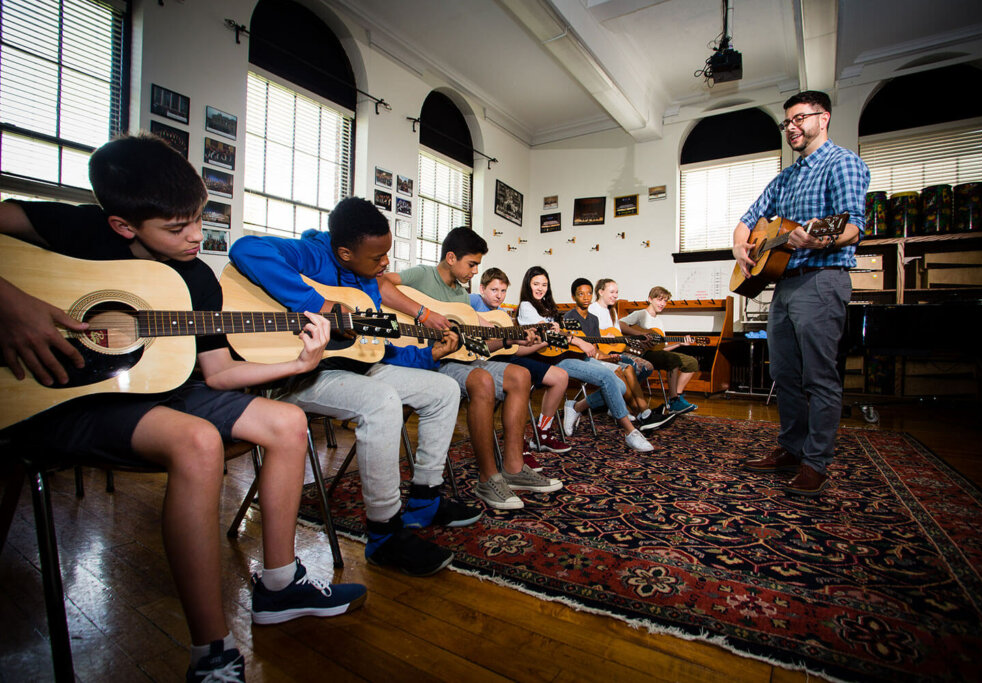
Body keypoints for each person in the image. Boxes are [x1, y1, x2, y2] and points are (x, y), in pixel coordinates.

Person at [0, 134, 365, 683]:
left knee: (287, 420)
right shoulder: (74, 228)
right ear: (124, 225)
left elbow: (219, 374)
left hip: (164, 388)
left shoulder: (196, 277)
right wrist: (13, 303)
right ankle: (212, 652)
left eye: (199, 218)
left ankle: (279, 584)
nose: (196, 235)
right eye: (176, 228)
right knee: (198, 441)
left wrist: (297, 362)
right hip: (66, 396)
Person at [229, 197, 481, 579]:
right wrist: (317, 304)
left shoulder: (367, 285)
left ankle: (425, 499)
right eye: (377, 257)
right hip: (298, 376)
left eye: (387, 254)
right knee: (381, 402)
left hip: (354, 370)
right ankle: (383, 534)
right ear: (344, 252)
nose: (385, 265)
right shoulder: (314, 255)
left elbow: (378, 348)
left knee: (443, 389)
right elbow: (246, 249)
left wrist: (430, 355)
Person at [732, 90, 869, 497]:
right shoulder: (785, 177)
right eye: (786, 122)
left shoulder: (842, 162)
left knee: (819, 377)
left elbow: (854, 226)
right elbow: (747, 219)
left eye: (799, 119)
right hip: (784, 285)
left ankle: (816, 462)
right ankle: (791, 448)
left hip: (823, 278)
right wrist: (740, 245)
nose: (792, 127)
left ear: (822, 118)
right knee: (784, 374)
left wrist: (817, 240)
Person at [383, 228, 563, 511]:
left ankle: (514, 468)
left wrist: (511, 338)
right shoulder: (422, 276)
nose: (475, 270)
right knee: (481, 379)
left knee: (521, 375)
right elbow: (380, 284)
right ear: (451, 257)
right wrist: (424, 314)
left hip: (458, 360)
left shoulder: (460, 295)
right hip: (427, 362)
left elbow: (473, 345)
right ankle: (487, 477)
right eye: (472, 264)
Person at [517, 268, 659, 452]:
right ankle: (630, 432)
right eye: (536, 284)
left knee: (621, 386)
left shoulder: (547, 306)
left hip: (567, 353)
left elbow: (559, 331)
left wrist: (566, 334)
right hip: (551, 359)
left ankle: (576, 407)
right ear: (528, 285)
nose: (540, 288)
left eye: (544, 285)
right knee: (607, 378)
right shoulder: (526, 306)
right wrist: (578, 341)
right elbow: (547, 334)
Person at [469, 267, 572, 465]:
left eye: (503, 291)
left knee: (560, 376)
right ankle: (518, 444)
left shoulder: (503, 317)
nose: (499, 295)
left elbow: (515, 350)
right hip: (482, 361)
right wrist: (487, 326)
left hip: (506, 357)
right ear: (482, 289)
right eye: (494, 290)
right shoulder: (474, 301)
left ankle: (542, 434)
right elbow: (459, 311)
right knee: (520, 378)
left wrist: (540, 341)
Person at [560, 277, 674, 434]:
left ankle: (644, 411)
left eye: (588, 294)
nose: (586, 297)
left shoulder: (594, 318)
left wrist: (608, 357)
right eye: (581, 294)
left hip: (598, 356)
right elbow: (573, 344)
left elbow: (595, 346)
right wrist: (601, 354)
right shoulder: (569, 317)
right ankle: (639, 414)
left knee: (627, 368)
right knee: (619, 374)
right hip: (580, 359)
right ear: (573, 297)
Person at [617, 286, 700, 415]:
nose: (662, 304)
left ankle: (676, 397)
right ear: (650, 299)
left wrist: (679, 343)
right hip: (642, 353)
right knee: (672, 359)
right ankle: (674, 400)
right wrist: (640, 335)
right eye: (659, 299)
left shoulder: (659, 323)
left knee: (692, 362)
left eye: (665, 301)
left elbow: (663, 348)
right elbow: (620, 324)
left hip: (657, 353)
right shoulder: (640, 314)